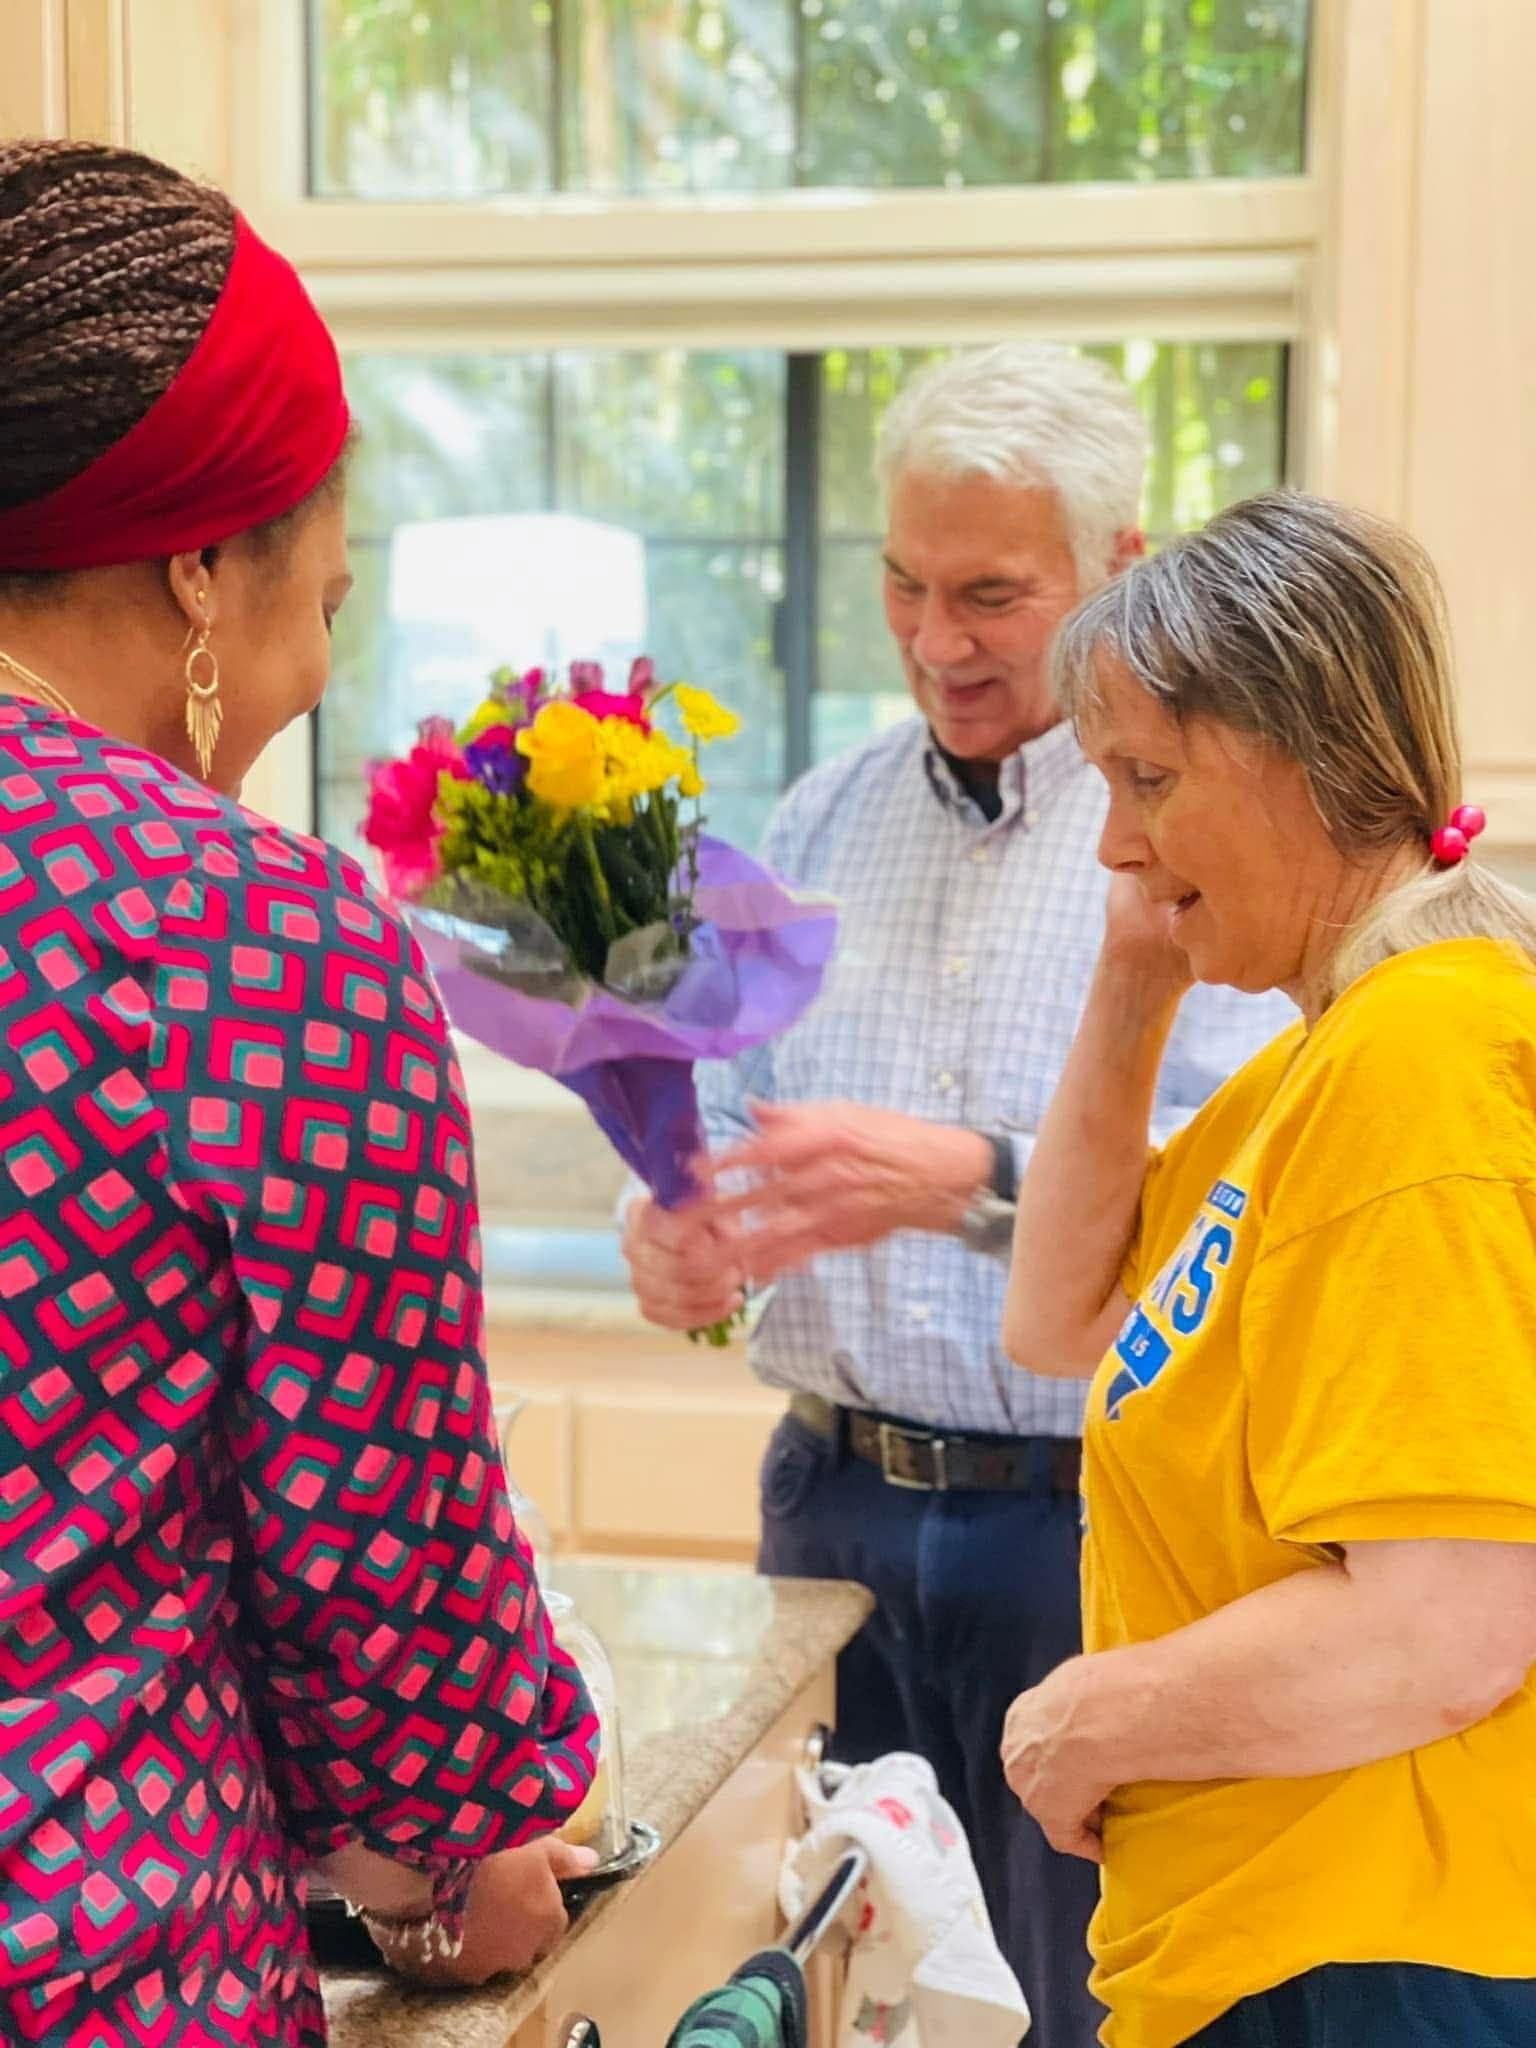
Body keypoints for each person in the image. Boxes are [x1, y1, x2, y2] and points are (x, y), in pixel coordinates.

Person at [0, 139, 599, 2048]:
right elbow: (372, 1527)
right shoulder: (234, 933)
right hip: (94, 1948)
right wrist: (471, 1835)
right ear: (199, 566)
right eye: (321, 601)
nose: (312, 670)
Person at [622, 344, 1292, 2046]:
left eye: (993, 594)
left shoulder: (1215, 837)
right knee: (825, 1982)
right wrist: (679, 1236)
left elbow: (1259, 1210)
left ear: (1120, 569)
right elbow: (717, 1122)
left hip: (1089, 1535)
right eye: (906, 586)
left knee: (1087, 2001)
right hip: (827, 1512)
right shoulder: (817, 816)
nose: (937, 642)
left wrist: (975, 1180)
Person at [999, 489, 1536, 2048]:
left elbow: (1444, 1626)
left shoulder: (1422, 1057)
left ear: (1303, 756)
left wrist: (1085, 1719)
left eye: (1149, 779)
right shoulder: (1309, 1072)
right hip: (1290, 1946)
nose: (1114, 837)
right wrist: (1136, 962)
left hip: (1378, 1958)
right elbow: (1060, 1317)